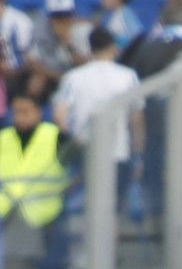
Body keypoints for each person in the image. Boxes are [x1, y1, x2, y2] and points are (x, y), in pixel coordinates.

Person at [0, 92, 70, 269]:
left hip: (49, 219)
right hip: (14, 219)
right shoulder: (3, 138)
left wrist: (64, 129)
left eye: (26, 111)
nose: (20, 117)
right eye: (16, 112)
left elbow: (79, 158)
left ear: (39, 112)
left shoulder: (54, 136)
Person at [52, 26, 140, 167]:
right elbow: (135, 118)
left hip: (83, 151)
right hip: (117, 150)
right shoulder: (128, 76)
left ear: (90, 48)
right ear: (113, 47)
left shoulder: (72, 77)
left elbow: (59, 116)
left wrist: (70, 143)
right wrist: (137, 153)